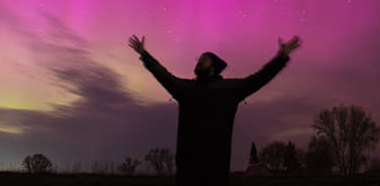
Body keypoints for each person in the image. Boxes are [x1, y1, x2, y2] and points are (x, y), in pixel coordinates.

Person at [128, 33, 301, 185]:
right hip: (187, 167)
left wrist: (281, 58)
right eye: (199, 59)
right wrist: (145, 55)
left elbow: (258, 79)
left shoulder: (229, 89)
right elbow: (164, 76)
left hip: (215, 167)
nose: (200, 60)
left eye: (205, 59)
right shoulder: (186, 89)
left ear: (213, 67)